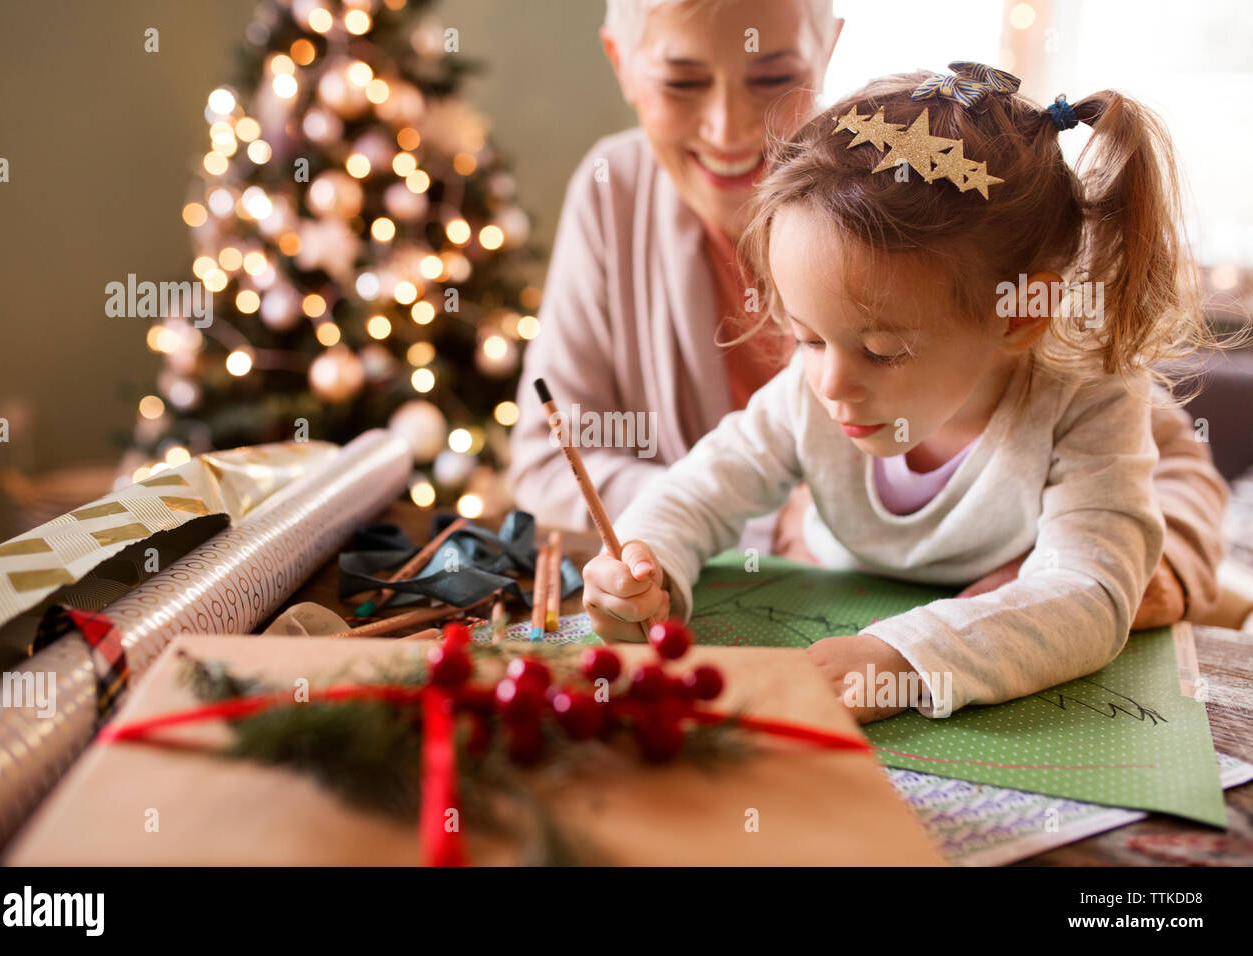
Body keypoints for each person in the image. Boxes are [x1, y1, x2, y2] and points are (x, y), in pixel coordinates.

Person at [509, 0, 1228, 628]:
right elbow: (553, 459)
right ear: (623, 64)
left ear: (829, 50)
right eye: (681, 80)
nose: (730, 128)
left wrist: (1133, 575)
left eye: (769, 77)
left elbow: (1164, 467)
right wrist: (753, 526)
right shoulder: (614, 194)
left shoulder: (924, 207)